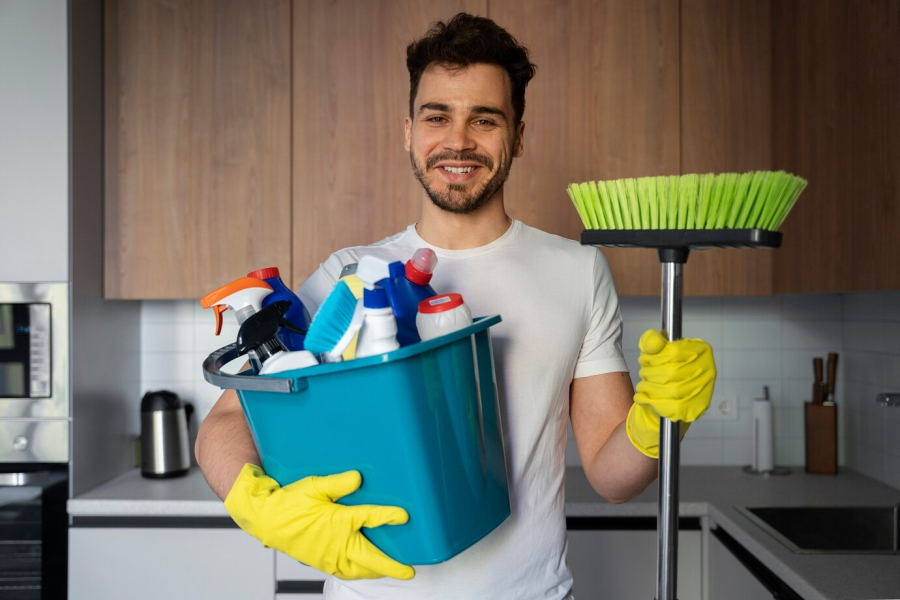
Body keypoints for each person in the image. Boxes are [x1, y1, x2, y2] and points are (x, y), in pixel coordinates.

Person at [195, 13, 715, 600]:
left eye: (485, 119)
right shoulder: (348, 278)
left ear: (518, 136)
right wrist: (255, 505)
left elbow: (612, 475)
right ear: (409, 131)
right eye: (437, 116)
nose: (458, 140)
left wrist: (659, 423)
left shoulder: (576, 270)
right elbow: (225, 423)